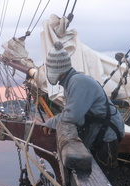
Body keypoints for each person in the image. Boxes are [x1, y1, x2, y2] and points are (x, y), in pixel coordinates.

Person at [41, 41, 125, 177]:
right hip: (100, 135)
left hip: (107, 139)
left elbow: (73, 116)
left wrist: (51, 122)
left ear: (57, 70)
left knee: (104, 178)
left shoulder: (77, 82)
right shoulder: (71, 82)